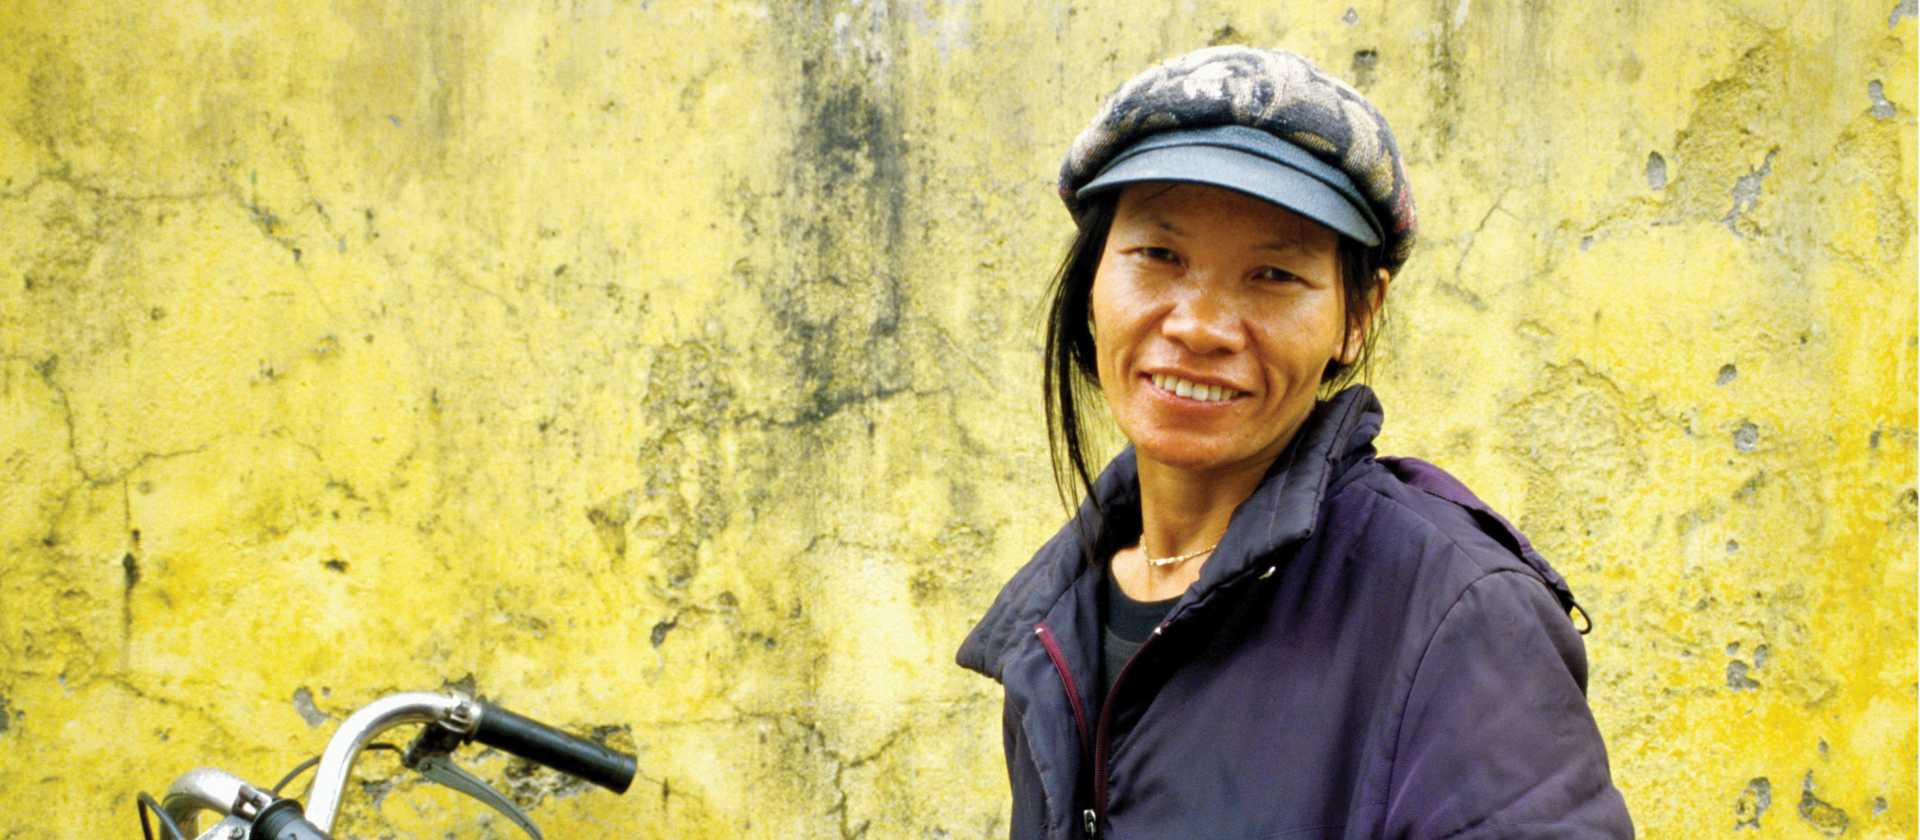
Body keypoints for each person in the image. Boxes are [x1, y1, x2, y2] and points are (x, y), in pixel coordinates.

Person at [955, 46, 1634, 839]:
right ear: (1093, 281)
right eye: (1158, 255)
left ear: (1358, 315)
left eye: (1274, 275)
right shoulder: (1063, 615)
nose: (1199, 326)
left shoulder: (1456, 615)